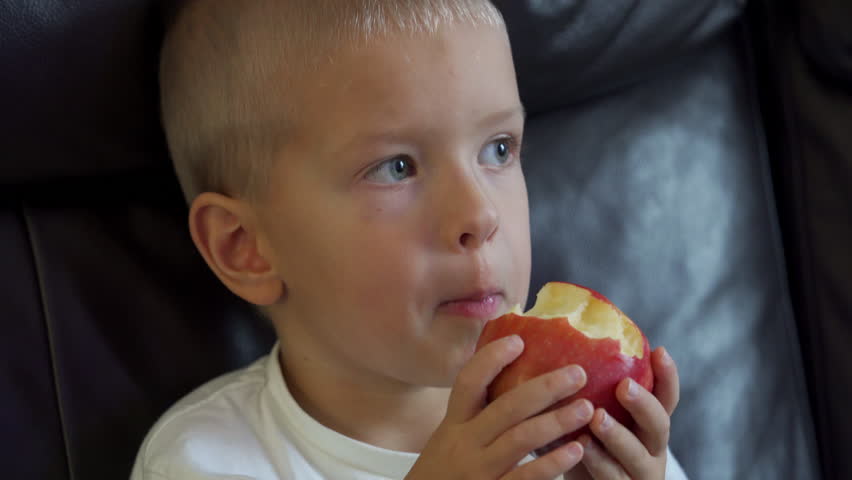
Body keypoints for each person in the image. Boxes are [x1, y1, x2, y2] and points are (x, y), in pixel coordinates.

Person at [131, 1, 687, 478]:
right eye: (396, 167)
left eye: (498, 149)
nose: (480, 213)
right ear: (245, 247)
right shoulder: (205, 460)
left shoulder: (566, 420)